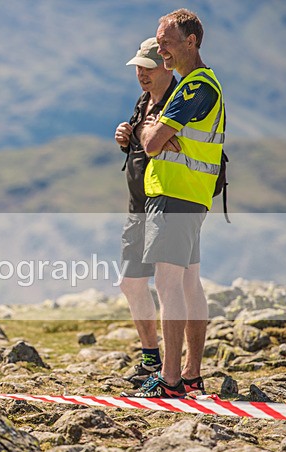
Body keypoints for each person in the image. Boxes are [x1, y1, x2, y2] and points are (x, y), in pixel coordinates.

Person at [129, 9, 225, 398]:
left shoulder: (193, 88)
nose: (161, 50)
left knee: (169, 285)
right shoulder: (199, 83)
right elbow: (157, 138)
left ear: (191, 41)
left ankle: (169, 380)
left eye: (166, 42)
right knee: (188, 284)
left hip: (175, 196)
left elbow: (152, 143)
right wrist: (155, 131)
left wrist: (149, 129)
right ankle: (190, 375)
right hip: (191, 197)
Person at [114, 38, 177, 388]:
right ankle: (150, 359)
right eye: (138, 67)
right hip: (137, 206)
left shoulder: (178, 101)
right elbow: (145, 144)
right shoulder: (144, 101)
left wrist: (140, 135)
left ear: (166, 66)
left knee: (170, 286)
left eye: (148, 67)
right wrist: (126, 137)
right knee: (130, 282)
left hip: (166, 204)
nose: (141, 74)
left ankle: (176, 370)